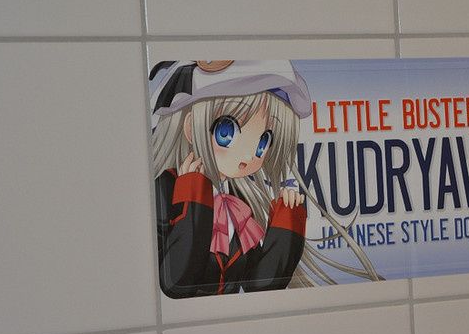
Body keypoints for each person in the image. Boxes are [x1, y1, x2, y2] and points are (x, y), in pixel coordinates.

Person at [149, 59, 379, 298]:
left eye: (263, 141)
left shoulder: (239, 203)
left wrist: (286, 225)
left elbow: (261, 285)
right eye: (227, 132)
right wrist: (194, 195)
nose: (249, 156)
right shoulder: (164, 190)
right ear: (190, 127)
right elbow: (176, 282)